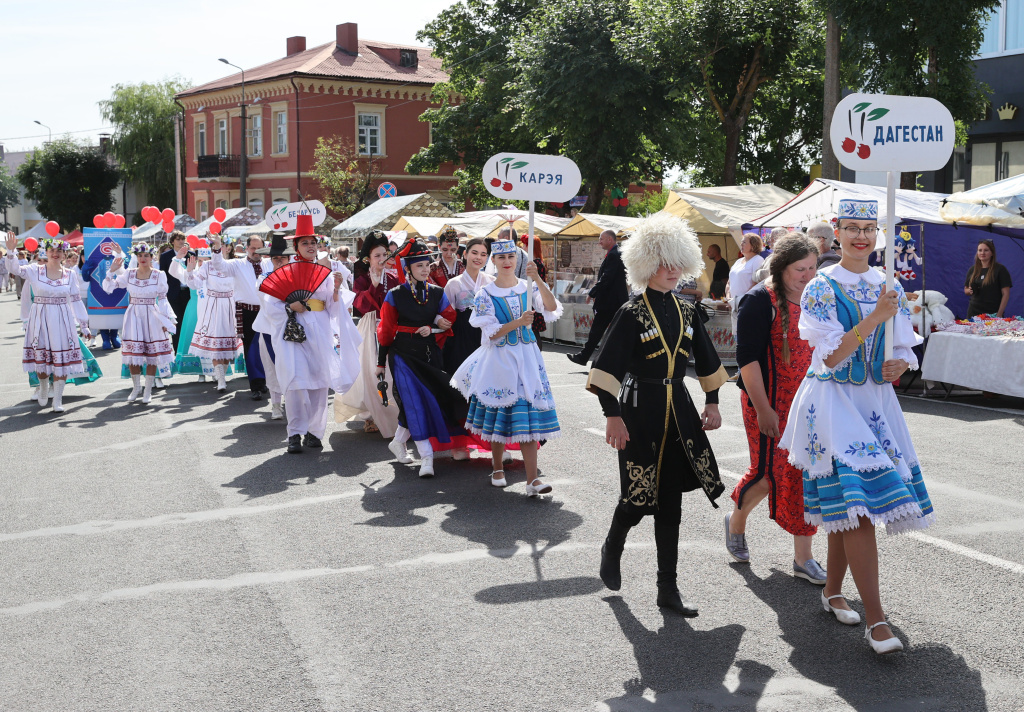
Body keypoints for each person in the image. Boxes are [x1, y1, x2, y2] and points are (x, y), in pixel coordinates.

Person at [778, 198, 933, 655]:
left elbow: (902, 350)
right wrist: (874, 319)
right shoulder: (821, 287)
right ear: (838, 233)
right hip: (833, 403)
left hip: (875, 403)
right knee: (861, 508)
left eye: (869, 228)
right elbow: (829, 357)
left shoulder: (890, 285)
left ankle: (831, 591)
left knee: (849, 507)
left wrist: (896, 367)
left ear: (877, 234)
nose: (861, 236)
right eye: (852, 228)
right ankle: (878, 620)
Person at [586, 213, 728, 617]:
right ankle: (613, 544)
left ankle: (668, 589)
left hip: (679, 410)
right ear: (646, 264)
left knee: (670, 504)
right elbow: (606, 368)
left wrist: (713, 401)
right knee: (637, 497)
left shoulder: (687, 311)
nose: (672, 271)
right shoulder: (629, 313)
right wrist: (611, 416)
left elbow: (707, 360)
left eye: (677, 262)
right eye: (663, 263)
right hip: (638, 410)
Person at [726, 234, 827, 584]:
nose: (808, 275)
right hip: (767, 402)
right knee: (769, 474)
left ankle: (803, 558)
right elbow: (747, 360)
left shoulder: (816, 297)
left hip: (808, 403)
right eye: (800, 269)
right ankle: (736, 521)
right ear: (782, 267)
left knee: (806, 473)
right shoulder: (758, 300)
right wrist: (764, 408)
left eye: (813, 267)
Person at [452, 238, 563, 493]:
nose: (506, 262)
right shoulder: (485, 294)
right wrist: (518, 322)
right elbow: (490, 334)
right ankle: (498, 466)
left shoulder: (527, 287)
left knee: (528, 416)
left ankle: (532, 480)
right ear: (494, 261)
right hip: (500, 359)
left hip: (527, 357)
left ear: (518, 260)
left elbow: (551, 307)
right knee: (500, 414)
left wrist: (538, 280)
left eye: (511, 257)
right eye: (501, 258)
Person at [261, 216, 361, 454]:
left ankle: (315, 433)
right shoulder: (285, 272)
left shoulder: (326, 273)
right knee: (295, 382)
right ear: (296, 247)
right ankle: (294, 433)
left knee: (318, 382)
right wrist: (289, 308)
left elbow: (334, 309)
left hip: (319, 329)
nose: (311, 246)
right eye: (305, 243)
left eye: (313, 242)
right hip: (292, 331)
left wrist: (336, 290)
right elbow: (270, 305)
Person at [377, 240, 470, 476]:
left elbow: (449, 321)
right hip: (403, 355)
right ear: (408, 269)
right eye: (419, 266)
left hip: (429, 355)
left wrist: (435, 324)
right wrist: (380, 362)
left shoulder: (438, 293)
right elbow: (386, 331)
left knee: (427, 402)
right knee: (416, 404)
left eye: (427, 265)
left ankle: (398, 442)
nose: (425, 269)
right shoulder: (395, 295)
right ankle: (427, 457)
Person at [5, 235, 93, 413]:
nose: (55, 253)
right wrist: (10, 251)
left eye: (59, 251)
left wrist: (84, 325)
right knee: (41, 359)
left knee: (62, 360)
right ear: (46, 252)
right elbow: (13, 268)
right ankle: (44, 386)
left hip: (62, 318)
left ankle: (58, 398)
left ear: (64, 254)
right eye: (52, 250)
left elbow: (76, 301)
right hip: (40, 317)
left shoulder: (70, 275)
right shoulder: (34, 270)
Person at [335, 231, 401, 437]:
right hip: (371, 326)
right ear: (368, 259)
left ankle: (395, 415)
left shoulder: (395, 277)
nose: (382, 259)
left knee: (392, 374)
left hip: (393, 328)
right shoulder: (362, 279)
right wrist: (373, 285)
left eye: (385, 255)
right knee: (371, 373)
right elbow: (360, 305)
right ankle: (371, 414)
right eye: (377, 256)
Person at [102, 243, 175, 404]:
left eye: (146, 256)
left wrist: (166, 319)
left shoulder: (159, 275)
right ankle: (136, 387)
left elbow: (163, 299)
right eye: (140, 255)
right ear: (136, 257)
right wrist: (111, 271)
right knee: (133, 355)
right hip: (133, 314)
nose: (143, 258)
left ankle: (148, 390)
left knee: (151, 355)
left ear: (152, 257)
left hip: (152, 315)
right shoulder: (129, 274)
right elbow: (109, 288)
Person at [209, 235, 269, 401]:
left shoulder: (269, 263)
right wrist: (217, 248)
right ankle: (256, 385)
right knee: (251, 348)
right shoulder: (237, 264)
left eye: (259, 248)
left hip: (268, 311)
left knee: (269, 346)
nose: (256, 252)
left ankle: (265, 380)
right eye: (253, 248)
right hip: (247, 312)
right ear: (247, 248)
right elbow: (218, 265)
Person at [182, 239, 243, 392]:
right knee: (215, 345)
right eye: (216, 246)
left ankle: (222, 374)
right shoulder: (208, 265)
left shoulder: (236, 264)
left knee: (228, 346)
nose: (220, 248)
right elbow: (195, 284)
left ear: (229, 248)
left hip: (230, 305)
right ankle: (221, 379)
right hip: (213, 305)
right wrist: (189, 272)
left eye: (223, 245)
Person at [567, 229, 628, 365]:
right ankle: (587, 357)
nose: (599, 242)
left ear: (610, 240)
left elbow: (607, 278)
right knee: (607, 331)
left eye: (601, 239)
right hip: (612, 301)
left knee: (598, 330)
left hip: (610, 302)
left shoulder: (614, 254)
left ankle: (584, 357)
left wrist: (592, 292)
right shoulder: (614, 253)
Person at [252, 233, 293, 420]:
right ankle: (276, 405)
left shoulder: (296, 278)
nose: (279, 262)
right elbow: (267, 302)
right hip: (269, 329)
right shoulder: (263, 278)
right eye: (275, 258)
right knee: (272, 367)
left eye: (282, 258)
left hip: (293, 329)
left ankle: (292, 403)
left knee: (293, 367)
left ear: (289, 258)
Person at [443, 237, 494, 373]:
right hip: (462, 336)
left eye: (483, 255)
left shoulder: (492, 282)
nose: (478, 258)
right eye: (474, 253)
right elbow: (444, 312)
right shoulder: (454, 284)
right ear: (465, 254)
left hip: (487, 334)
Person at [727, 233, 765, 336]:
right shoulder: (738, 261)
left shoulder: (758, 260)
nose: (741, 244)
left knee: (746, 334)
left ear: (753, 245)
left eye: (744, 242)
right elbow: (729, 281)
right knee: (737, 335)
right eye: (741, 242)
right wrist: (729, 299)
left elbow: (757, 283)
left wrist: (742, 300)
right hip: (735, 305)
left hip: (748, 304)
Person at [160, 231, 191, 352]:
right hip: (173, 294)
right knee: (176, 322)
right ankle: (177, 350)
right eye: (178, 239)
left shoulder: (191, 254)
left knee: (187, 322)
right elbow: (162, 276)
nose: (181, 241)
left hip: (189, 294)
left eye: (182, 239)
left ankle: (188, 350)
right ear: (172, 241)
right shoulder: (165, 256)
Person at [964, 238, 1012, 318]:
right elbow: (966, 290)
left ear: (992, 253)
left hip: (992, 313)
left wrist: (999, 314)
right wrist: (970, 290)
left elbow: (1006, 294)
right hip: (973, 313)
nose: (982, 253)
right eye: (980, 250)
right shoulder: (972, 269)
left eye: (986, 250)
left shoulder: (1000, 269)